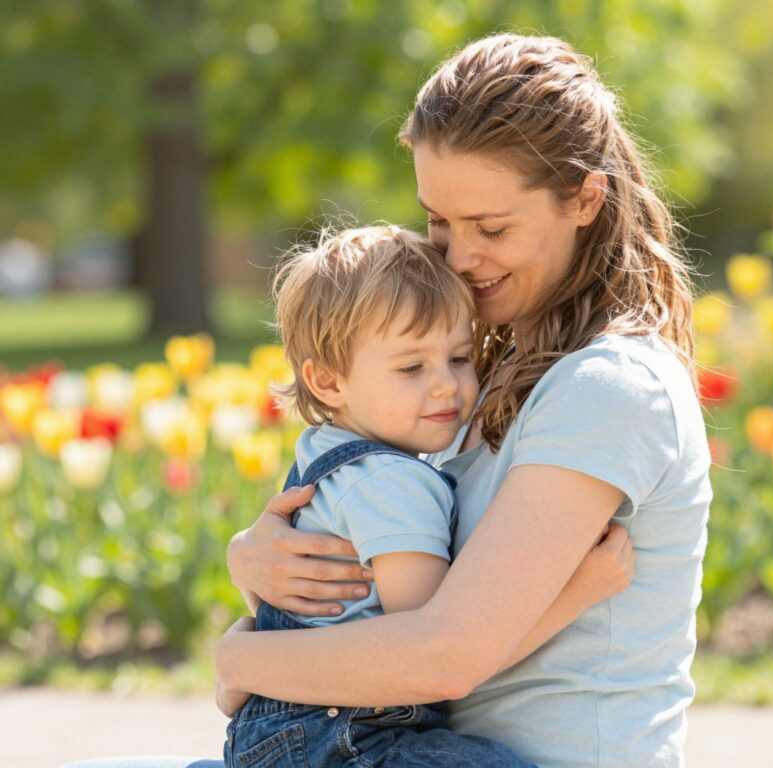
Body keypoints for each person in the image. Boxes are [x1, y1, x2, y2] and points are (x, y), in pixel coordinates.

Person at [65, 32, 711, 768]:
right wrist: (262, 565)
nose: (458, 258)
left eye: (491, 227)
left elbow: (443, 654)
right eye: (438, 221)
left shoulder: (608, 386)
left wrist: (241, 662)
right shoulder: (477, 377)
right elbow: (384, 596)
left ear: (585, 198)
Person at [226, 223, 628, 768]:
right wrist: (579, 591)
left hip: (293, 735)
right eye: (412, 367)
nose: (445, 385)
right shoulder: (390, 482)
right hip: (349, 740)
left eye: (459, 359)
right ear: (328, 382)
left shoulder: (325, 451)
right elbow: (437, 651)